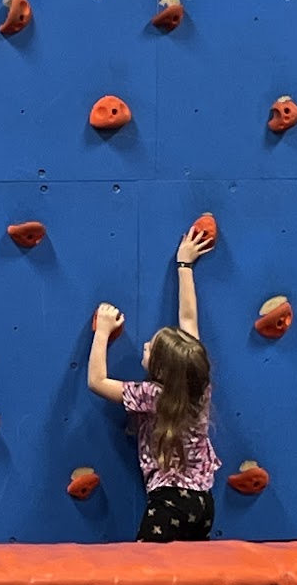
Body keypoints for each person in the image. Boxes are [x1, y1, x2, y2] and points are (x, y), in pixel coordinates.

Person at [87, 218, 219, 541]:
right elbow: (188, 320)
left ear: (160, 372)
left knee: (148, 577)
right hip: (203, 504)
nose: (145, 345)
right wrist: (185, 264)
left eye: (151, 349)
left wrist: (102, 331)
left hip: (167, 505)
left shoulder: (151, 395)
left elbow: (97, 381)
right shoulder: (198, 385)